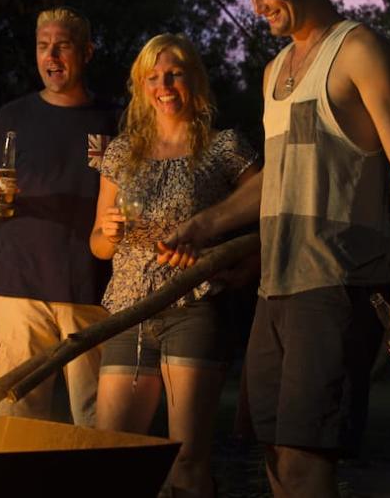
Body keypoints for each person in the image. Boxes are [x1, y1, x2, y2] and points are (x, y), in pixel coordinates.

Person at [158, 0, 390, 497]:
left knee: (308, 460)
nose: (258, 7)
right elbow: (279, 181)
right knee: (276, 459)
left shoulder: (359, 51)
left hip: (337, 286)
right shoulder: (273, 74)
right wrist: (204, 224)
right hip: (276, 289)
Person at [89, 33, 259, 497]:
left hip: (194, 306)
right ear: (141, 87)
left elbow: (268, 204)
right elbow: (98, 247)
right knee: (113, 451)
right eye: (152, 77)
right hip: (128, 310)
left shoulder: (224, 147)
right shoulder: (122, 152)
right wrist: (107, 232)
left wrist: (239, 266)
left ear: (194, 80)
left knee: (187, 458)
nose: (163, 85)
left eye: (174, 74)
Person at [0, 6, 116, 426]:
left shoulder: (112, 120)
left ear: (86, 53)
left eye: (62, 46)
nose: (51, 57)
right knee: (12, 426)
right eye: (43, 46)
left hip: (93, 296)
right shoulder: (11, 118)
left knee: (98, 426)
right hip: (19, 295)